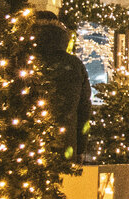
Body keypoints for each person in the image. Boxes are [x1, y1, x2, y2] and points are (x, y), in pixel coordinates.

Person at [34, 12, 92, 164]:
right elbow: (84, 109)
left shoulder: (22, 60)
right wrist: (80, 148)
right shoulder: (74, 64)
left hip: (26, 148)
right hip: (65, 146)